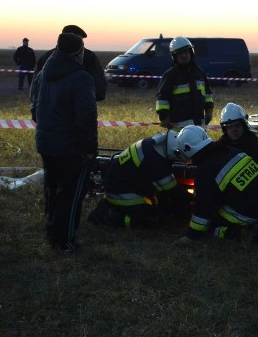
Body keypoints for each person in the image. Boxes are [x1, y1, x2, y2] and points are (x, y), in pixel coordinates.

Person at [30, 32, 98, 252]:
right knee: (70, 196)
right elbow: (86, 117)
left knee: (53, 191)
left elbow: (34, 108)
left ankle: (52, 234)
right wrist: (88, 149)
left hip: (46, 144)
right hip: (70, 148)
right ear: (78, 53)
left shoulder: (42, 75)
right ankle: (64, 242)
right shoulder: (80, 78)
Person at [172, 125, 258, 245]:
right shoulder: (230, 150)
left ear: (187, 149)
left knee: (214, 226)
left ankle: (247, 234)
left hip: (256, 209)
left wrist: (192, 236)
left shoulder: (206, 171)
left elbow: (203, 208)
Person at [87, 130, 189, 228]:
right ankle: (110, 217)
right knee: (152, 219)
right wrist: (190, 202)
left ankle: (107, 206)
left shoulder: (154, 144)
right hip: (124, 194)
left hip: (117, 185)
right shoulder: (156, 163)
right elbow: (172, 192)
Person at [154, 37, 214, 129]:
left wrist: (209, 112)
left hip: (199, 125)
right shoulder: (170, 75)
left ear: (191, 52)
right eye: (179, 53)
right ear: (174, 57)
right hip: (178, 127)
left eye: (186, 52)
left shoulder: (200, 73)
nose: (183, 55)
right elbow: (162, 99)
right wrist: (164, 117)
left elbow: (208, 95)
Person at [36, 24, 107, 101]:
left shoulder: (45, 57)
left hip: (45, 109)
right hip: (76, 107)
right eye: (80, 41)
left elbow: (34, 90)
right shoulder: (88, 57)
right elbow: (99, 89)